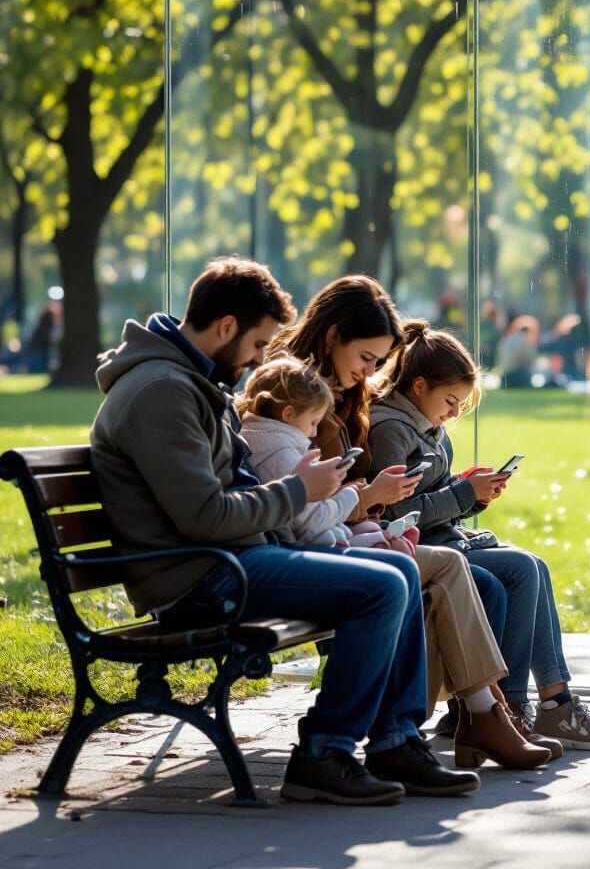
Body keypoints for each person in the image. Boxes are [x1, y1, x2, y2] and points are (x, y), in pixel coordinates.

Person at [89, 257, 478, 804]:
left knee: (397, 568)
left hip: (230, 559)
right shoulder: (162, 392)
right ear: (226, 326)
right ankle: (324, 752)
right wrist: (301, 491)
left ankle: (395, 740)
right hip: (198, 577)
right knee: (382, 585)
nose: (258, 358)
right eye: (256, 343)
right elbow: (204, 516)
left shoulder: (187, 382)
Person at [269, 276, 549, 770]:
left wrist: (380, 503)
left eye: (378, 362)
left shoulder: (346, 399)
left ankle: (484, 714)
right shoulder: (301, 403)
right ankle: (449, 722)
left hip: (352, 533)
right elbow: (309, 506)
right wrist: (371, 499)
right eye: (366, 358)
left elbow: (340, 497)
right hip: (327, 543)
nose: (371, 373)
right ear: (332, 337)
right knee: (457, 575)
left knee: (511, 570)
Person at [369, 321, 590, 755]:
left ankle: (552, 701)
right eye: (450, 401)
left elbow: (433, 495)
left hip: (442, 539)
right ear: (418, 386)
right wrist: (463, 493)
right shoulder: (390, 429)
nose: (454, 412)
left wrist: (471, 493)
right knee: (522, 569)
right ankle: (513, 707)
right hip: (419, 547)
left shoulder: (427, 425)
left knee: (535, 564)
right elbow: (397, 512)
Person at [238, 356, 419, 551]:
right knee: (388, 549)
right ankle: (378, 539)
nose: (314, 432)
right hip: (297, 544)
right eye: (313, 422)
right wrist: (350, 495)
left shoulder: (265, 443)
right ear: (288, 414)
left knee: (370, 531)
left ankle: (377, 536)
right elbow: (313, 521)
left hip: (300, 536)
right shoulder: (281, 455)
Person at [498, 315, 539, 388]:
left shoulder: (507, 340)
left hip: (505, 377)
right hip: (518, 377)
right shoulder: (524, 342)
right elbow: (530, 360)